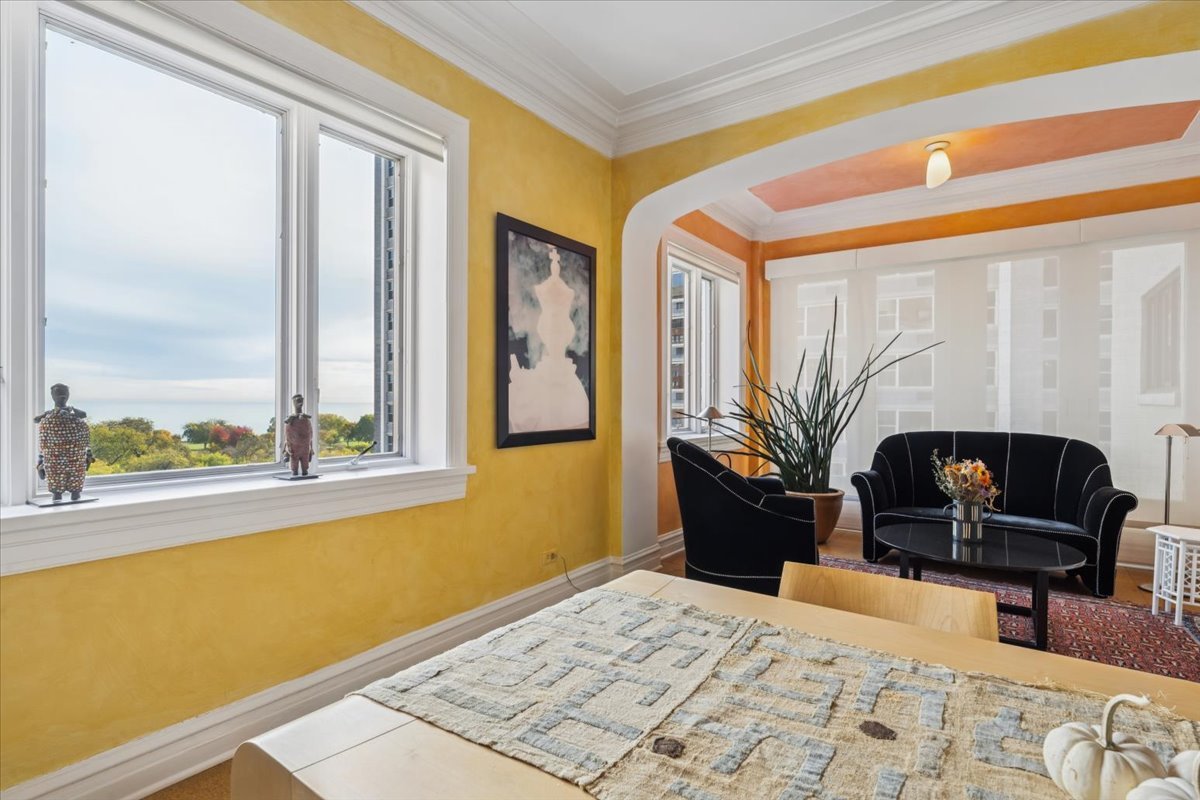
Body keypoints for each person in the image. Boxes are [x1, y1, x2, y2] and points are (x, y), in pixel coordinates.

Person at [34, 384, 93, 501]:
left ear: (68, 395)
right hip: (54, 455)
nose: (62, 396)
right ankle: (58, 494)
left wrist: (88, 453)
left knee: (75, 477)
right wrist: (41, 458)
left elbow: (84, 416)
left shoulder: (73, 413)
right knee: (56, 479)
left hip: (75, 453)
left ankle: (74, 493)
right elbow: (37, 421)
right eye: (58, 393)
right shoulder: (49, 416)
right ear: (52, 396)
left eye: (64, 393)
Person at [282, 393, 314, 476]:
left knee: (305, 468)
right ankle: (295, 471)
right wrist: (287, 447)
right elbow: (287, 436)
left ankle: (303, 472)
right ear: (294, 402)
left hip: (305, 447)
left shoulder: (306, 419)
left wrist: (310, 447)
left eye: (301, 400)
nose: (300, 403)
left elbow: (310, 435)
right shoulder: (291, 419)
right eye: (297, 401)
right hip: (294, 448)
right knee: (295, 467)